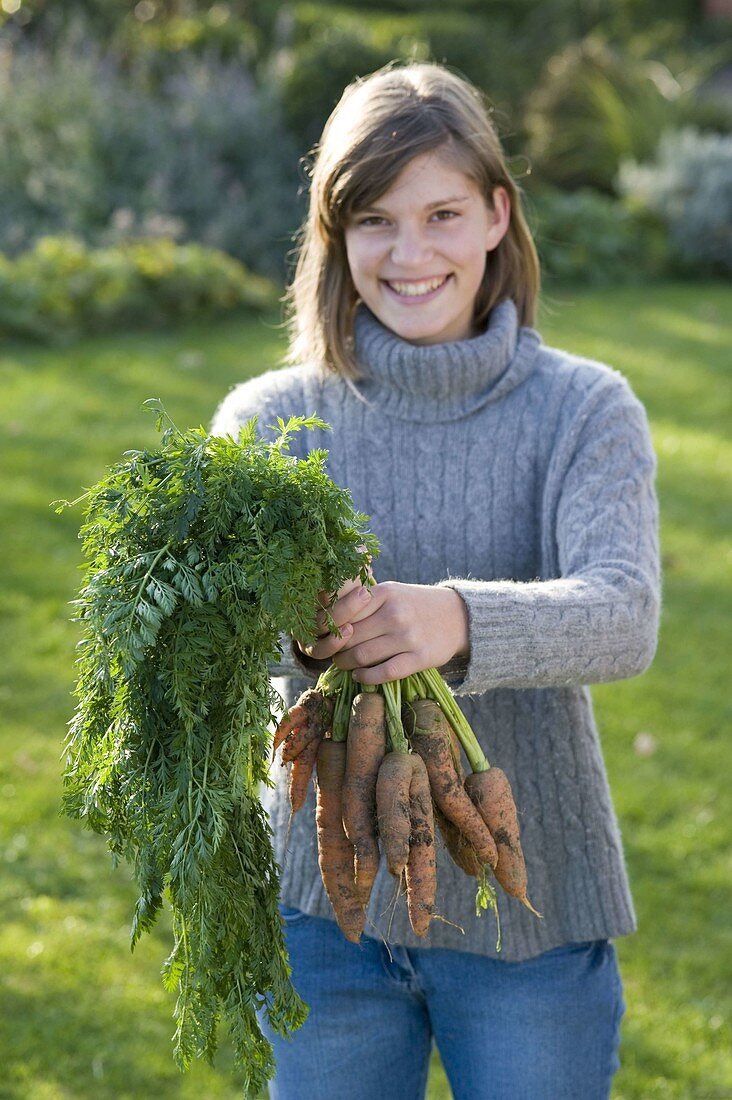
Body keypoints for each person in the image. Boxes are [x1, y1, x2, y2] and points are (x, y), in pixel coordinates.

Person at [211, 61, 660, 1100]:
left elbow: (624, 612)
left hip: (529, 908)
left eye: (443, 213)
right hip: (325, 915)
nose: (409, 254)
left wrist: (449, 618)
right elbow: (214, 640)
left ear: (498, 215)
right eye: (374, 221)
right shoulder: (267, 423)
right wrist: (298, 629)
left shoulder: (582, 410)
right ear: (336, 236)